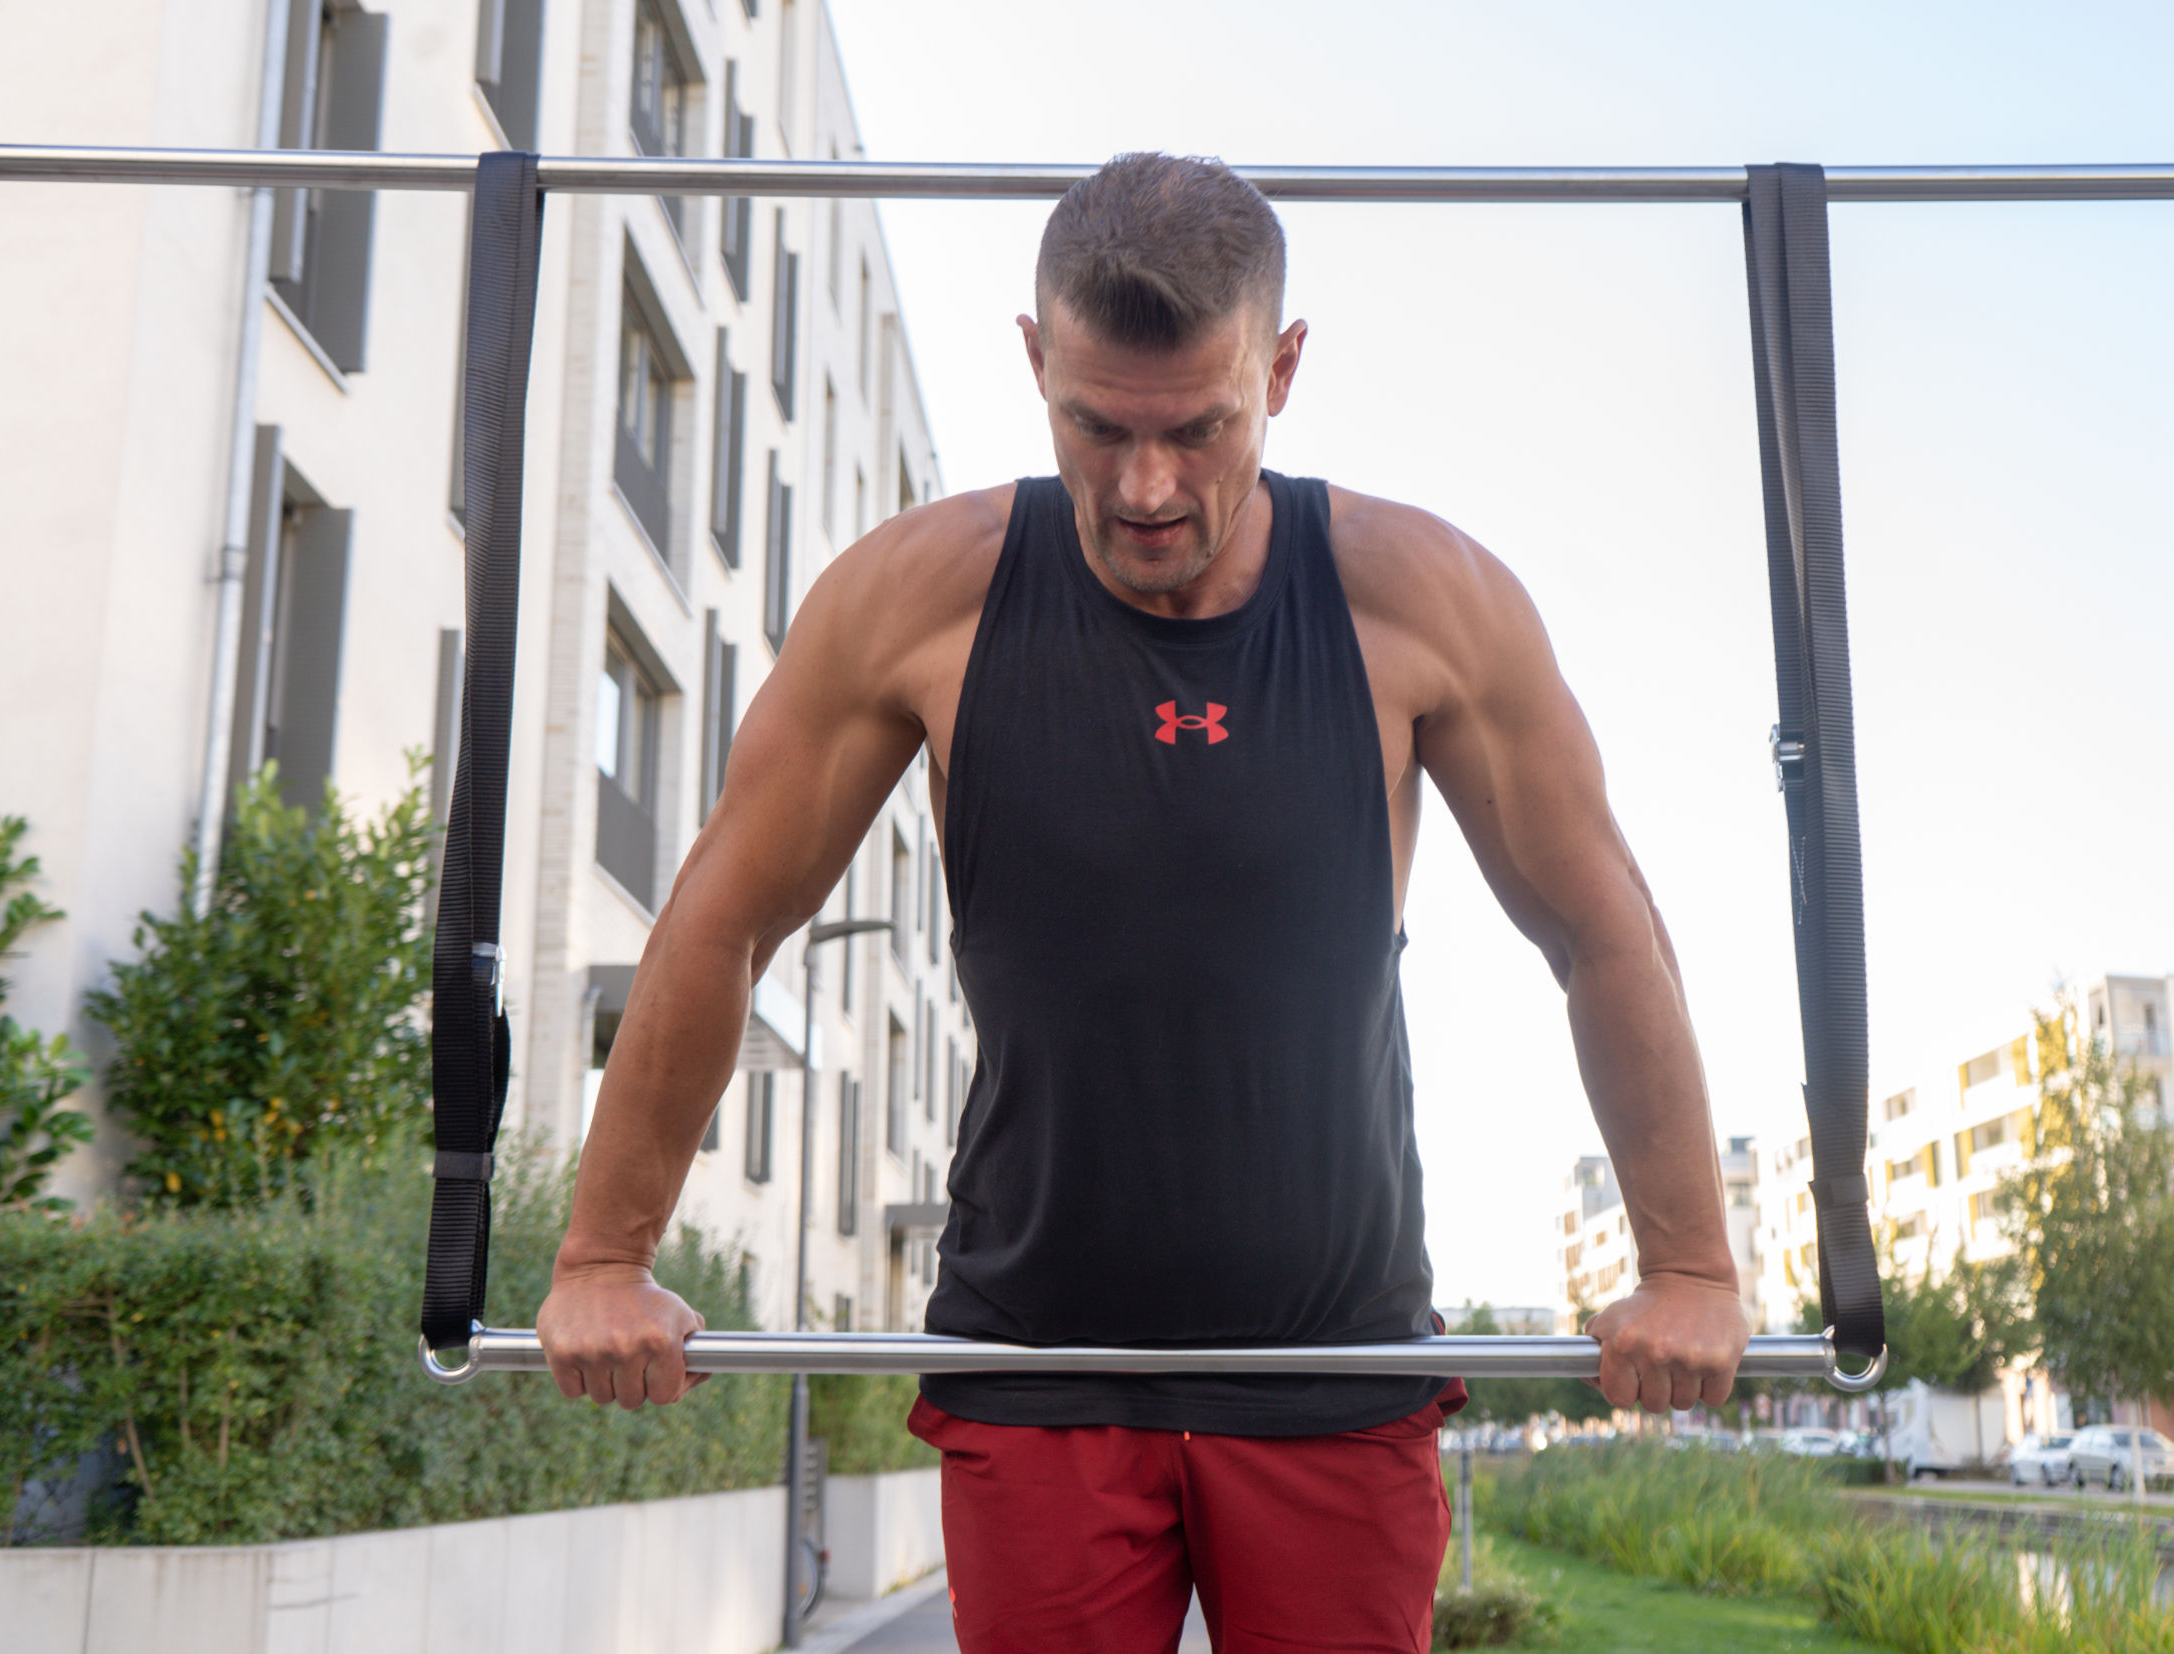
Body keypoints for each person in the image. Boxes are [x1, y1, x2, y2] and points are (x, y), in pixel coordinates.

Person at [538, 151, 1748, 1650]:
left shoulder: (1419, 600)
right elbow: (723, 916)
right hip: (1039, 1361)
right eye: (1093, 426)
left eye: (1198, 428)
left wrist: (1687, 1261)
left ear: (1282, 370)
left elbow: (1600, 927)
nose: (1143, 486)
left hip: (1329, 1370)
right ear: (1035, 359)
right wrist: (604, 1251)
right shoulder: (919, 599)